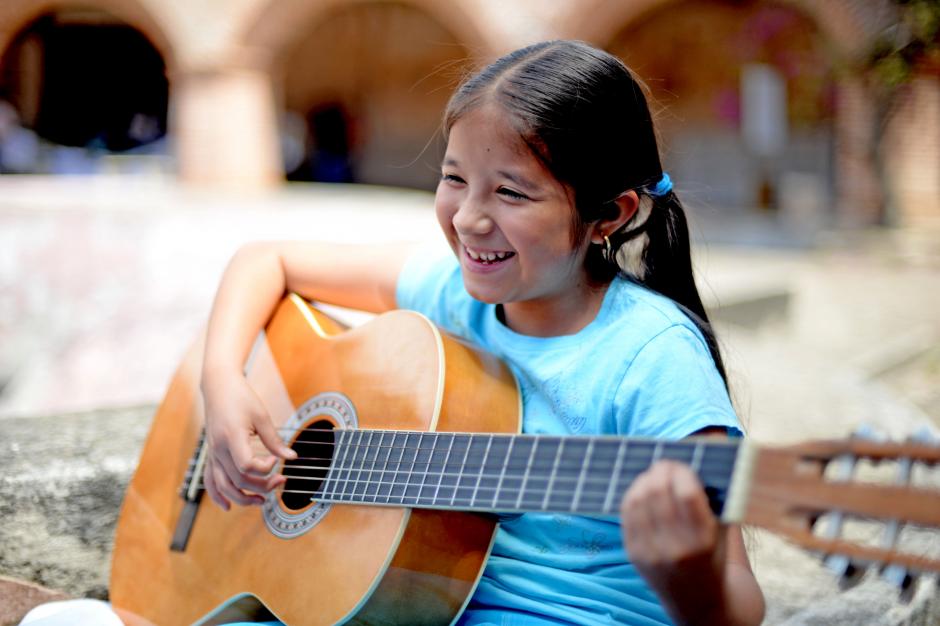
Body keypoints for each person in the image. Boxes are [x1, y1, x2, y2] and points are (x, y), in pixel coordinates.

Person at [199, 40, 764, 626]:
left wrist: (689, 579)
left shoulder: (652, 357)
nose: (469, 218)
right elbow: (266, 260)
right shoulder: (449, 291)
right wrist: (222, 382)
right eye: (453, 178)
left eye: (511, 191)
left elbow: (741, 608)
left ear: (611, 214)